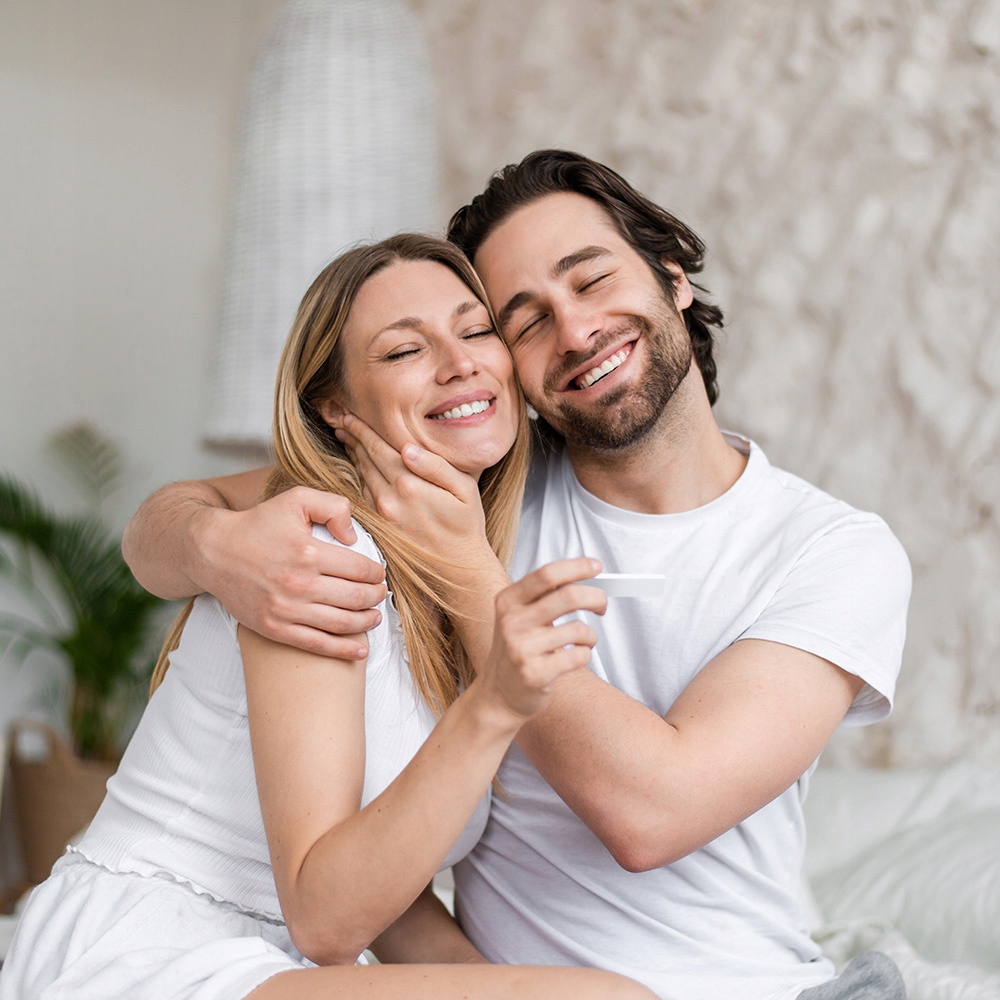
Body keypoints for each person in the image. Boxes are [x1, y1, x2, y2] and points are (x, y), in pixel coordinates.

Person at [119, 152, 912, 1000]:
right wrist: (215, 548)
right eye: (524, 322)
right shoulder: (464, 480)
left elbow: (652, 816)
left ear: (673, 275)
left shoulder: (831, 551)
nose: (574, 332)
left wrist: (467, 566)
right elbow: (172, 517)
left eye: (592, 280)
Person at [0, 234, 655, 1000]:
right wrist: (495, 706)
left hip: (278, 961)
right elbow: (325, 918)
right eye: (405, 349)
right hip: (146, 948)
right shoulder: (318, 552)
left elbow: (390, 903)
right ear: (335, 406)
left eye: (477, 330)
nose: (460, 363)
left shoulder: (449, 571)